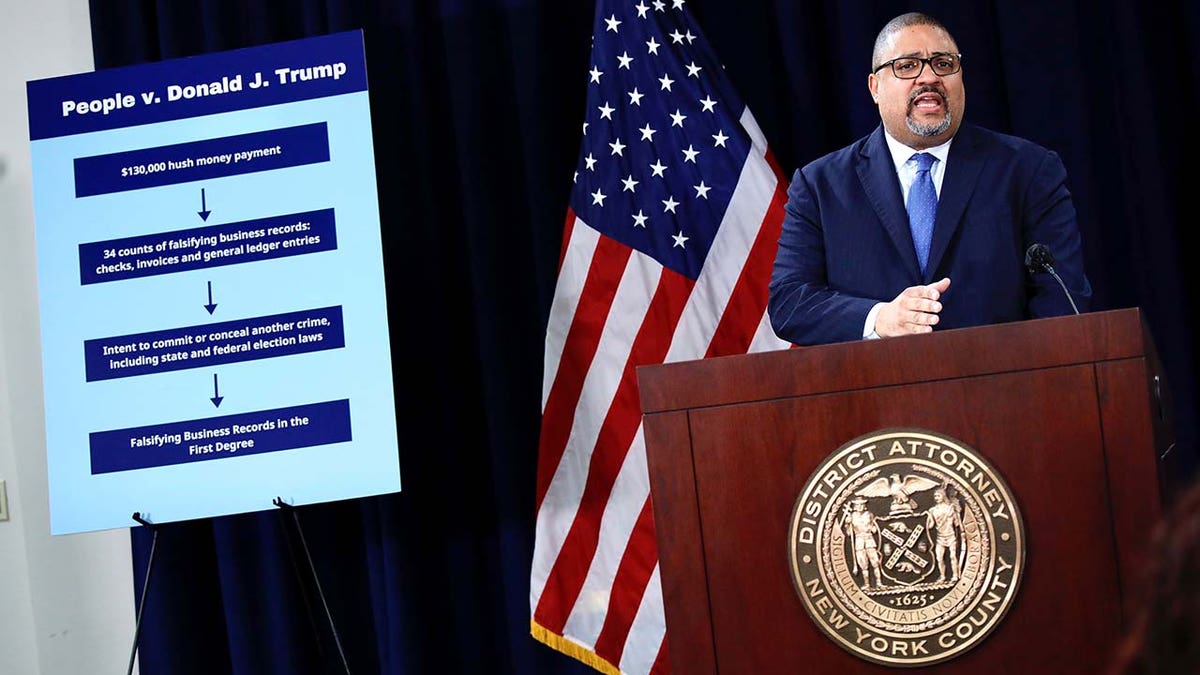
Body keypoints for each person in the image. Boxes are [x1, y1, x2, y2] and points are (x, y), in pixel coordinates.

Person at [768, 12, 1092, 346]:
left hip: (1001, 387)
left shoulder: (1028, 170)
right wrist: (880, 318)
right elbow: (790, 302)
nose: (929, 77)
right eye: (907, 65)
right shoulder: (820, 185)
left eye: (943, 63)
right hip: (873, 390)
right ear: (875, 87)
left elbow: (1061, 297)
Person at [843, 496, 884, 588]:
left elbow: (874, 528)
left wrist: (873, 528)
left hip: (869, 540)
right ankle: (867, 584)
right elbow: (849, 534)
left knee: (875, 562)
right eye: (858, 505)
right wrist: (847, 524)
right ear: (854, 506)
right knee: (863, 564)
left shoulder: (869, 514)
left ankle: (879, 583)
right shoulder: (851, 516)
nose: (860, 506)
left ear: (865, 505)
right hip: (859, 542)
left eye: (862, 504)